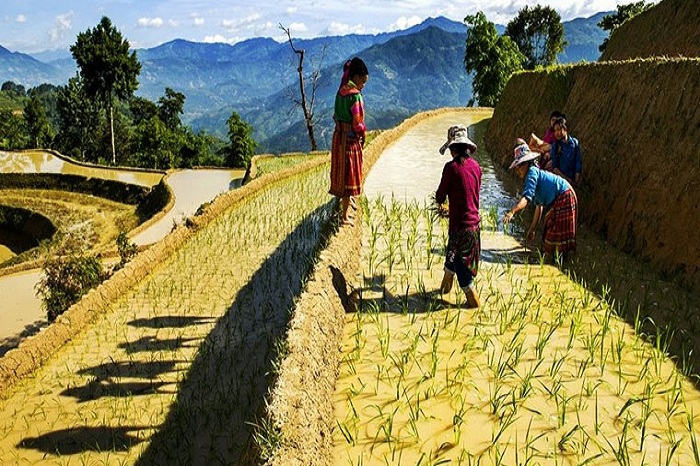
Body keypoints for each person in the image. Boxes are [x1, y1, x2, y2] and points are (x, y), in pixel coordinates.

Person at [503, 140, 578, 261]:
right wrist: (532, 230)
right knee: (550, 228)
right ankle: (557, 260)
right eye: (517, 167)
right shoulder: (533, 174)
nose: (518, 170)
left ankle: (555, 261)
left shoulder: (532, 173)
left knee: (554, 232)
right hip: (561, 196)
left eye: (520, 165)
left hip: (564, 195)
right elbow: (539, 207)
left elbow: (526, 199)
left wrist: (512, 211)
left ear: (528, 163)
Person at [435, 125, 482, 308]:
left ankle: (475, 309)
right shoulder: (477, 167)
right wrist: (452, 209)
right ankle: (443, 291)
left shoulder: (451, 168)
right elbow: (469, 197)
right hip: (474, 229)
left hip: (459, 232)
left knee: (466, 282)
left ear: (452, 148)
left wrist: (444, 206)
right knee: (451, 260)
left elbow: (440, 196)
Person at [329, 57, 369, 225]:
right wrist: (363, 135)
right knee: (349, 176)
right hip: (350, 140)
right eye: (363, 82)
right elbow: (358, 123)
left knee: (341, 172)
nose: (363, 86)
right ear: (357, 78)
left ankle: (349, 202)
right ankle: (345, 216)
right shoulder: (355, 97)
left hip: (338, 138)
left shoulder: (340, 93)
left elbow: (335, 115)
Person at [550, 116, 582, 188]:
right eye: (555, 131)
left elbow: (578, 161)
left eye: (558, 129)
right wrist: (567, 180)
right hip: (560, 183)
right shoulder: (555, 146)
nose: (557, 133)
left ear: (565, 129)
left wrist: (576, 180)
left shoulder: (574, 143)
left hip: (572, 182)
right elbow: (555, 168)